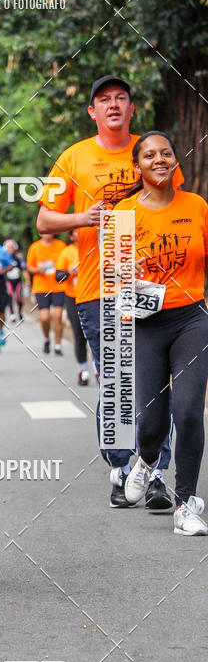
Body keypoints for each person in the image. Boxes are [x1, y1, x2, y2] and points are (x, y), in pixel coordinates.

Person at [36, 74, 182, 510]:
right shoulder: (72, 158)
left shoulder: (152, 150)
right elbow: (45, 221)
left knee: (155, 384)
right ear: (93, 112)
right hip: (98, 288)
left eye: (122, 98)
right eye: (104, 100)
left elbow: (178, 207)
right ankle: (120, 469)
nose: (114, 105)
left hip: (151, 285)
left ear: (132, 109)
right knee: (118, 382)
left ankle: (154, 472)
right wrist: (85, 218)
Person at [113, 131, 208, 534]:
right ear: (138, 166)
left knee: (188, 411)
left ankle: (186, 504)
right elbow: (115, 275)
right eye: (149, 155)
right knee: (151, 423)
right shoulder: (123, 213)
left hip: (192, 319)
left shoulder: (197, 206)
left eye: (165, 153)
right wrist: (124, 279)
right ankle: (145, 459)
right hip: (145, 324)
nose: (158, 159)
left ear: (175, 160)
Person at [55, 230, 90, 385]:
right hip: (73, 298)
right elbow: (58, 277)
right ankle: (83, 370)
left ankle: (99, 371)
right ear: (71, 236)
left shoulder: (95, 247)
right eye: (75, 232)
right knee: (79, 335)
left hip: (94, 297)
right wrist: (70, 272)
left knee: (98, 336)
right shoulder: (66, 252)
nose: (79, 234)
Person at [26, 232, 66, 354]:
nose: (47, 234)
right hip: (41, 287)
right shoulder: (35, 247)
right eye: (45, 232)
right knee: (44, 318)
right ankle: (47, 338)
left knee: (58, 316)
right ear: (40, 233)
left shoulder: (61, 245)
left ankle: (58, 345)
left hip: (59, 287)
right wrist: (38, 269)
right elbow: (29, 267)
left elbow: (66, 263)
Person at [3, 239, 25, 322]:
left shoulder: (18, 257)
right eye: (8, 247)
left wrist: (27, 282)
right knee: (9, 295)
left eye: (12, 247)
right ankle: (12, 314)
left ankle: (19, 312)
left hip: (18, 281)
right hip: (8, 280)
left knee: (19, 297)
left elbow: (24, 268)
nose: (10, 249)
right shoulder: (3, 257)